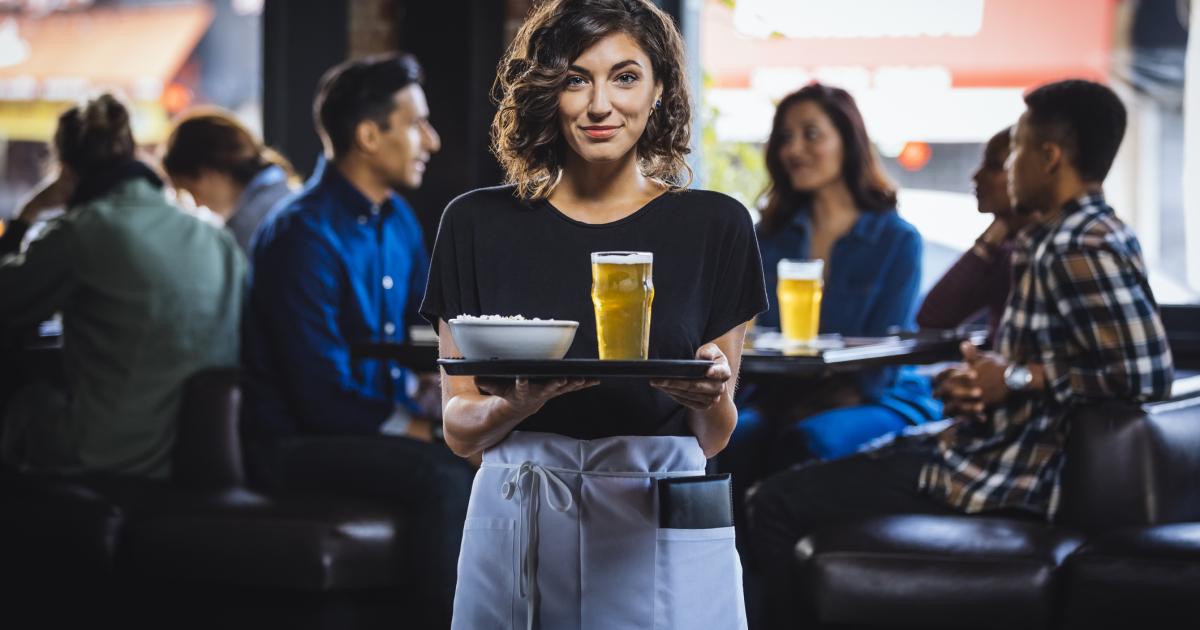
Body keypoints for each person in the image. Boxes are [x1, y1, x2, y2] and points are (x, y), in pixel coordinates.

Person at [746, 78, 1175, 629]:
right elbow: (969, 337)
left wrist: (1017, 378)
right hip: (977, 450)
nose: (1003, 164)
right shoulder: (1056, 236)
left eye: (1015, 149)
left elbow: (1147, 374)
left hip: (996, 474)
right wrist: (985, 380)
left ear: (1049, 157)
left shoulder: (1079, 242)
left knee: (774, 504)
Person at [419, 1, 767, 627]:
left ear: (660, 88)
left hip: (660, 505)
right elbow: (460, 429)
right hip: (520, 500)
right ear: (548, 92)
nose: (600, 104)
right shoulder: (474, 224)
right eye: (577, 78)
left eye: (626, 77)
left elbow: (715, 435)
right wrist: (514, 406)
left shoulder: (716, 225)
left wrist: (706, 395)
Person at [240, 54, 469, 628]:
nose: (432, 141)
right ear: (369, 135)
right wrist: (427, 430)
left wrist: (457, 404)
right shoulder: (302, 235)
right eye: (417, 123)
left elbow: (423, 342)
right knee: (443, 471)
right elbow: (319, 398)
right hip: (296, 445)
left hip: (375, 426)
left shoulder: (399, 221)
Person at [720, 84, 939, 534]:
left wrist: (805, 405)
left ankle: (795, 595)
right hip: (780, 396)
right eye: (784, 137)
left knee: (808, 439)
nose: (793, 150)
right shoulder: (768, 237)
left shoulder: (897, 240)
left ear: (848, 141)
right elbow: (747, 338)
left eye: (811, 134)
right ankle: (740, 593)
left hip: (878, 395)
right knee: (732, 442)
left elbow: (878, 368)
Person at [0, 93, 244, 478]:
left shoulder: (80, 234)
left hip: (110, 453)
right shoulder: (214, 239)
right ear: (133, 155)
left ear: (65, 170)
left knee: (25, 401)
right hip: (201, 451)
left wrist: (26, 216)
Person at [917, 126, 1032, 339]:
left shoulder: (1048, 248)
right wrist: (993, 235)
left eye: (994, 166)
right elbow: (933, 317)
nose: (976, 176)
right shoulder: (1003, 249)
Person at [161, 107, 298, 253]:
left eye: (191, 190)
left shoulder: (245, 229)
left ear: (208, 173)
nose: (197, 203)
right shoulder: (286, 193)